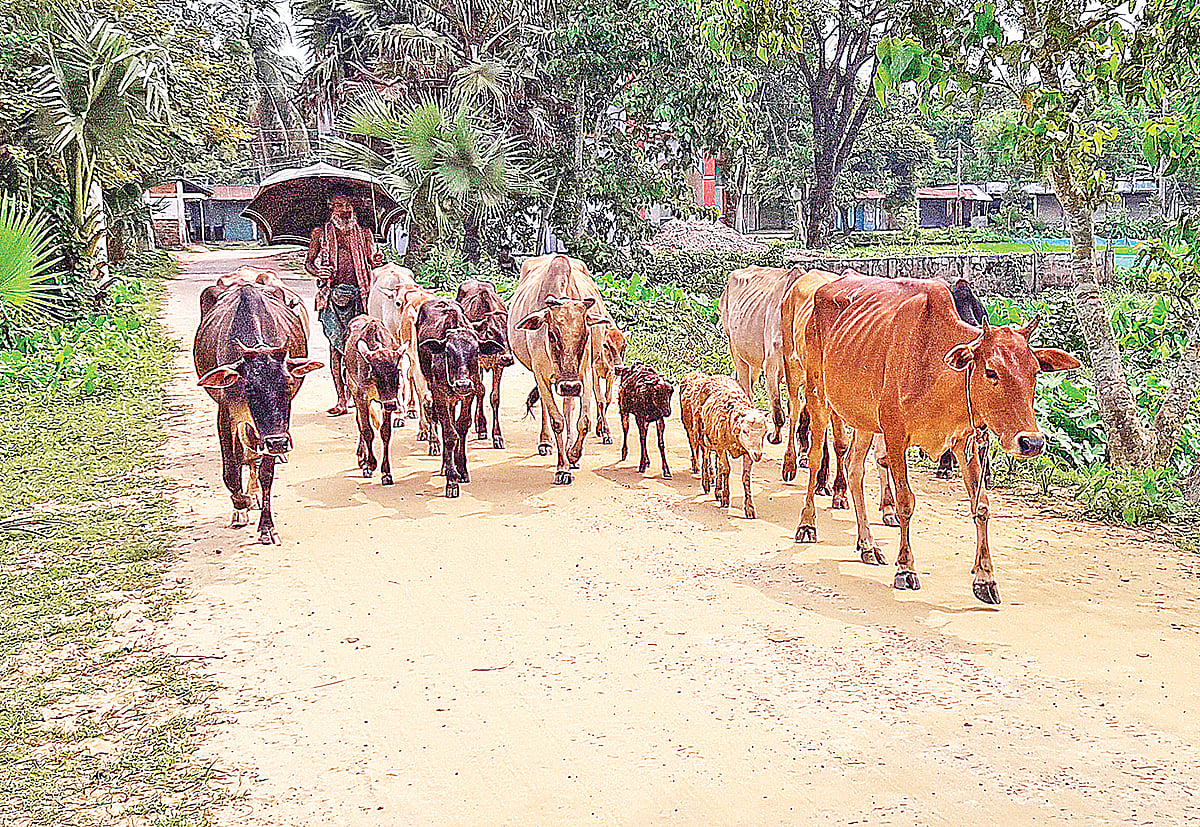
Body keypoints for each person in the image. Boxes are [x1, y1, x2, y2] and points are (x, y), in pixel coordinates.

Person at [306, 192, 383, 415]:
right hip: (332, 296)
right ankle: (341, 399)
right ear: (330, 208)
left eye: (348, 205)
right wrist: (318, 271)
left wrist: (376, 261)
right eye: (339, 205)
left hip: (362, 295)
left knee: (364, 345)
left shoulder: (365, 233)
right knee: (335, 348)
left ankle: (361, 392)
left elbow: (373, 262)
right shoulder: (320, 234)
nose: (345, 210)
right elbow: (309, 263)